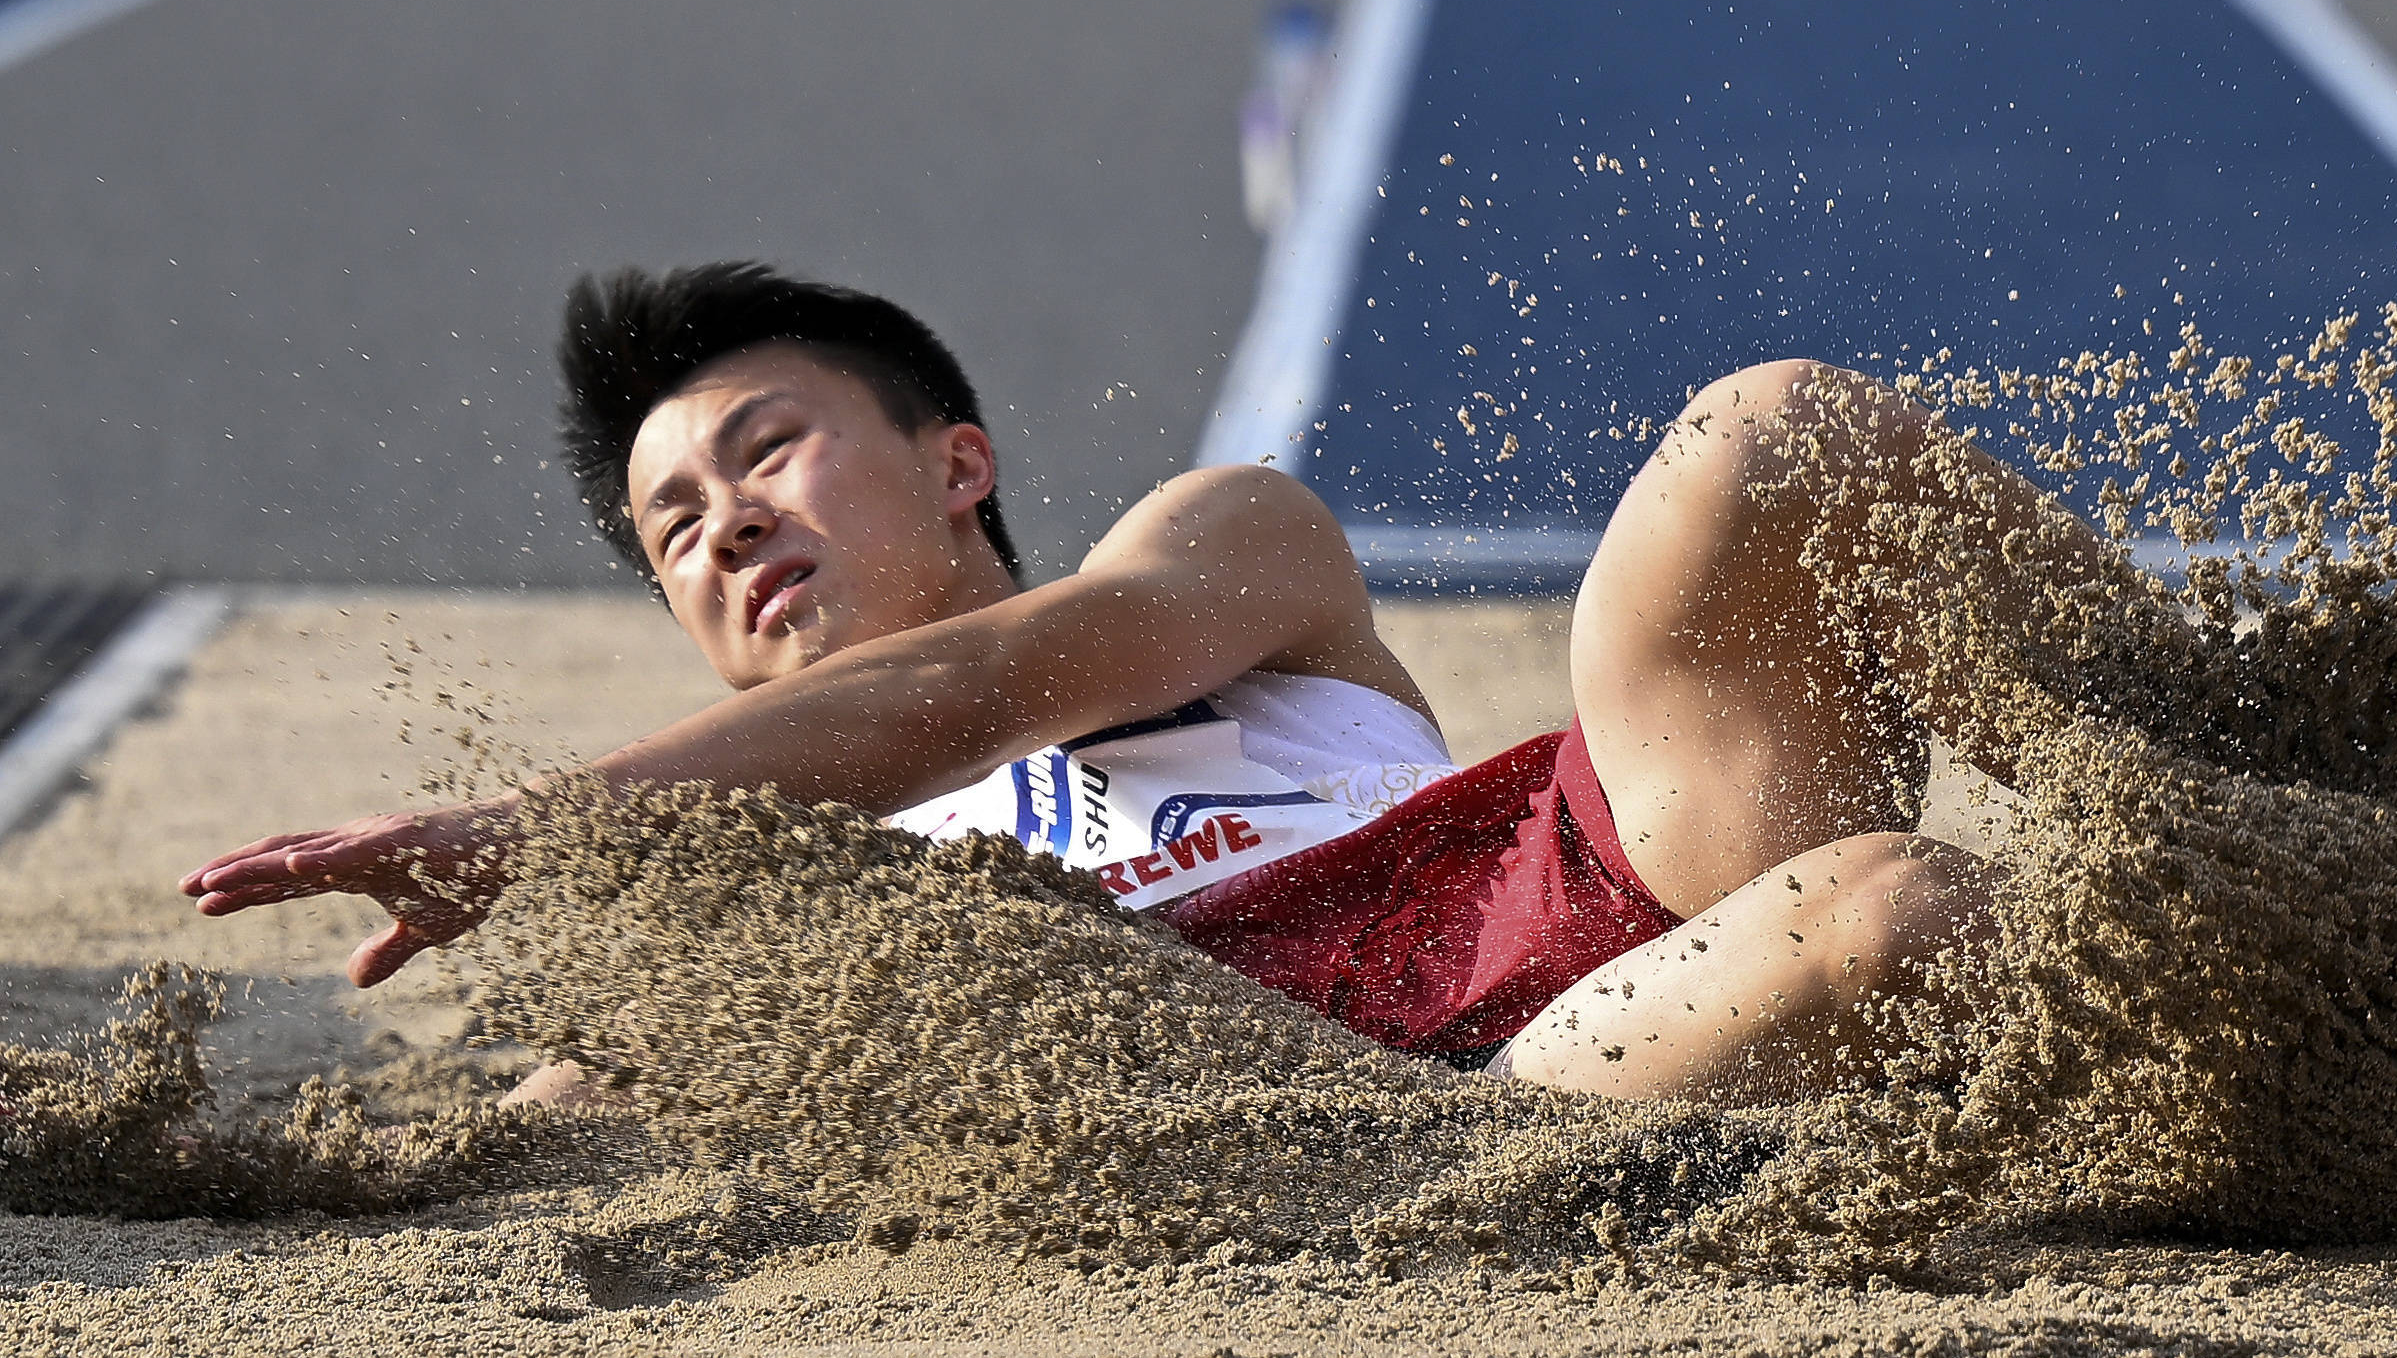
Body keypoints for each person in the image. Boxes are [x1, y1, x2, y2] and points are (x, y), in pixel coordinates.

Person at [182, 263, 2059, 1108]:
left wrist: (544, 829)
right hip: (1443, 1091)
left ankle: (2245, 754)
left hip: (1572, 877)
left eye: (767, 452)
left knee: (1770, 432)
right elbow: (576, 1115)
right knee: (1892, 909)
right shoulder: (761, 903)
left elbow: (992, 679)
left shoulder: (1211, 551)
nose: (728, 528)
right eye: (672, 529)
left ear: (958, 465)